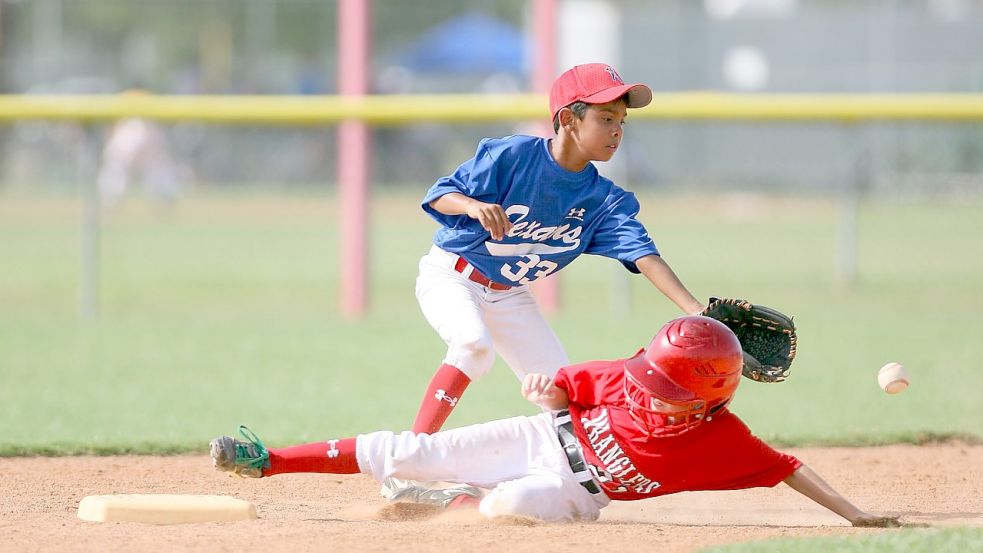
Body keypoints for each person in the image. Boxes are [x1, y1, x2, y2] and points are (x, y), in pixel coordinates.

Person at [210, 316, 900, 526]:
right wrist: (545, 390)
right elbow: (562, 392)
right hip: (538, 434)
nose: (643, 385)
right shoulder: (625, 373)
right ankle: (266, 456)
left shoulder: (725, 442)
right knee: (409, 449)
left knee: (504, 509)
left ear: (705, 401)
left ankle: (458, 500)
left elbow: (787, 469)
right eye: (648, 373)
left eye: (662, 385)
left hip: (578, 493)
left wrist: (855, 513)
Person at [407, 63, 705, 445]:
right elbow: (438, 194)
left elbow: (645, 255)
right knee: (472, 345)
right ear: (568, 118)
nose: (617, 130)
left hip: (509, 294)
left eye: (622, 121)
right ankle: (408, 456)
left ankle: (572, 481)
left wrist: (695, 309)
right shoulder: (513, 156)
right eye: (605, 117)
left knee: (562, 391)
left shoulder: (603, 201)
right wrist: (470, 205)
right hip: (453, 276)